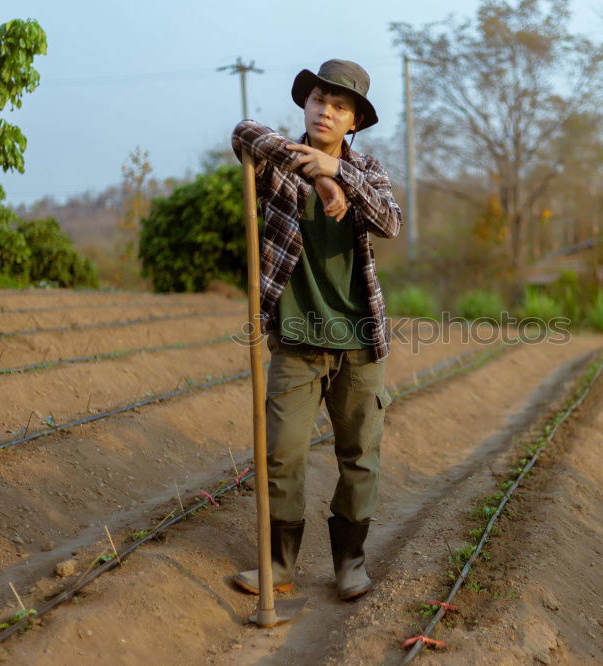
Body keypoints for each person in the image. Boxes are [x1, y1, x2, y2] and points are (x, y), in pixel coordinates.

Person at [229, 59, 402, 601]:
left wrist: (336, 177)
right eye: (318, 101)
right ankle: (278, 565)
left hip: (358, 345)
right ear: (305, 107)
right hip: (298, 343)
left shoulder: (368, 172)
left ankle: (349, 563)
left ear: (354, 122)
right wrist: (312, 170)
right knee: (280, 454)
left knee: (359, 459)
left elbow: (390, 222)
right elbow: (243, 132)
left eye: (339, 106)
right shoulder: (275, 163)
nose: (326, 111)